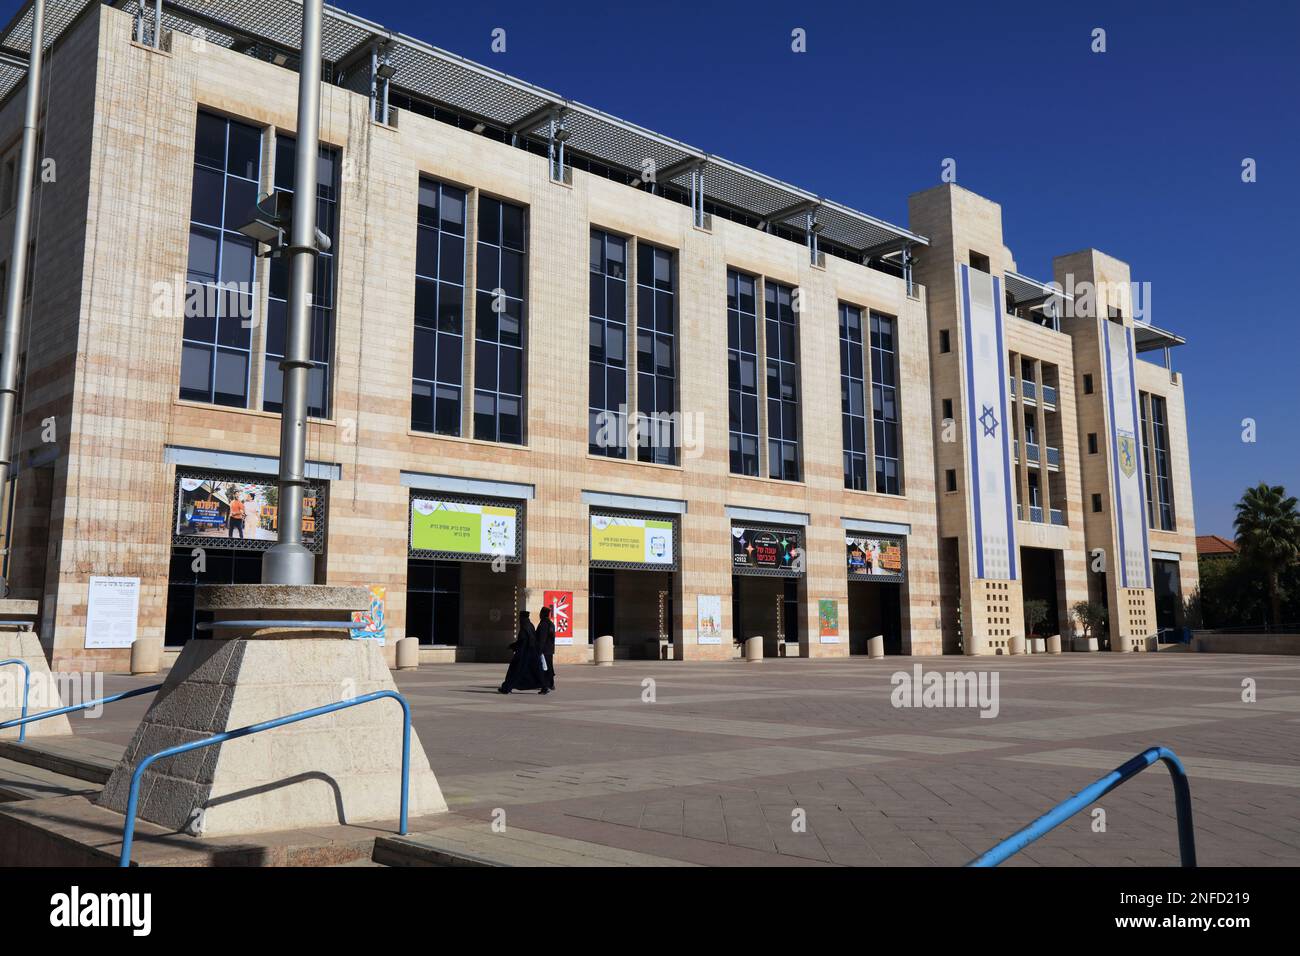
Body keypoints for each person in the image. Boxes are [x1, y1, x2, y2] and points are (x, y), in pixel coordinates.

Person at [499, 610, 546, 694]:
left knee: (514, 671)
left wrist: (513, 646)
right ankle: (544, 687)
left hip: (523, 654)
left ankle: (506, 688)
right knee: (536, 672)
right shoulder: (530, 625)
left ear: (522, 618)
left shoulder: (524, 627)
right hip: (532, 653)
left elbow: (522, 641)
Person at [536, 605, 556, 692]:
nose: (539, 615)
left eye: (541, 613)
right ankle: (550, 684)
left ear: (543, 614)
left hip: (544, 650)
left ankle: (546, 684)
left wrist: (539, 650)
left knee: (545, 667)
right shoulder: (551, 623)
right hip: (549, 650)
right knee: (549, 666)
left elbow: (542, 639)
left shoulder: (543, 624)